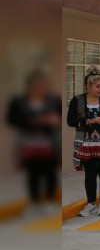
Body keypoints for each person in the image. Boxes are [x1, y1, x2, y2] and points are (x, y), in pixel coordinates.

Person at [67, 68, 100, 217]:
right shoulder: (77, 100)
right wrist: (88, 121)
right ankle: (91, 204)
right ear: (88, 86)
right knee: (89, 174)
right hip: (85, 143)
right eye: (98, 86)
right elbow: (70, 121)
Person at [7, 69, 61, 209]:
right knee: (32, 173)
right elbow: (11, 119)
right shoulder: (19, 101)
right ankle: (35, 203)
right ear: (30, 86)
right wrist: (33, 121)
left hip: (49, 144)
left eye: (43, 85)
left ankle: (49, 201)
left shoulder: (53, 101)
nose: (41, 88)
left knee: (50, 172)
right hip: (28, 144)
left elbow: (60, 118)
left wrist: (54, 121)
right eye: (37, 85)